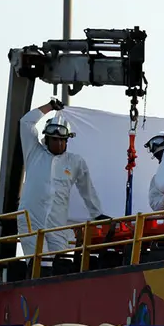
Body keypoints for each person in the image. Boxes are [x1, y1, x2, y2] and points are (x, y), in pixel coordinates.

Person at [17, 98, 109, 257]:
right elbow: (26, 122)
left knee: (59, 265)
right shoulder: (34, 153)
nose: (59, 144)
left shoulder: (75, 162)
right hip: (31, 220)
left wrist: (97, 213)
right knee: (39, 264)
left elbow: (87, 189)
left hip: (57, 225)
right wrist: (49, 107)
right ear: (46, 138)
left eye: (62, 140)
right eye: (55, 139)